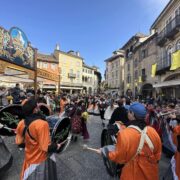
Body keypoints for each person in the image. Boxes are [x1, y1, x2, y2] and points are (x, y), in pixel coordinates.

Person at [103, 102, 162, 180]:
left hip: (132, 174)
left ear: (132, 114)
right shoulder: (153, 131)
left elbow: (120, 158)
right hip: (151, 173)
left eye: (129, 111)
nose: (127, 113)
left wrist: (106, 153)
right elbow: (158, 155)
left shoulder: (124, 134)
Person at [16, 98, 61, 180]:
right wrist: (56, 146)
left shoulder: (21, 123)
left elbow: (19, 142)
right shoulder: (42, 124)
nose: (39, 107)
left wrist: (31, 142)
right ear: (35, 110)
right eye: (37, 106)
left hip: (28, 158)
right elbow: (45, 148)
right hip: (39, 159)